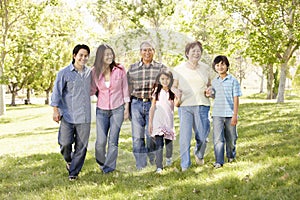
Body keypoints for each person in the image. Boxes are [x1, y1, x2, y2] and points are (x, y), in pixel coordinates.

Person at [172, 41, 217, 172]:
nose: (196, 53)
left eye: (198, 51)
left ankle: (199, 153)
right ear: (187, 53)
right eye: (193, 51)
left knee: (203, 136)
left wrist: (210, 90)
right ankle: (185, 165)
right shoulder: (179, 69)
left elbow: (209, 85)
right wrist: (176, 91)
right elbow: (173, 86)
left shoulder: (205, 68)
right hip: (185, 105)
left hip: (202, 104)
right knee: (185, 136)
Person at [51, 44, 91, 181]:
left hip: (84, 117)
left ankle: (73, 172)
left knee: (81, 146)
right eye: (81, 55)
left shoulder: (90, 73)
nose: (83, 58)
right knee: (65, 143)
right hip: (68, 116)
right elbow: (56, 92)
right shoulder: (63, 73)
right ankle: (69, 161)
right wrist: (55, 110)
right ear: (74, 56)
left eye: (86, 56)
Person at [127, 41, 167, 170]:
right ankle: (141, 165)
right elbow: (127, 89)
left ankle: (152, 159)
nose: (147, 53)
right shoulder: (132, 68)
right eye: (144, 50)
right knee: (137, 137)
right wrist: (126, 108)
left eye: (150, 50)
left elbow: (167, 85)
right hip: (136, 103)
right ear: (140, 52)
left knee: (152, 135)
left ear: (153, 51)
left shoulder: (161, 68)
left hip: (153, 104)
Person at [91, 44, 130, 173]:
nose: (109, 57)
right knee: (100, 142)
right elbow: (91, 90)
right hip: (101, 110)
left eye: (111, 54)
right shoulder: (94, 71)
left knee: (113, 141)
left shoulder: (120, 69)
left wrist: (126, 108)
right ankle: (101, 163)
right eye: (106, 54)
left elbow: (125, 89)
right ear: (100, 56)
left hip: (117, 108)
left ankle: (109, 168)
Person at [207, 55, 242, 169]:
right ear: (215, 67)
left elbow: (236, 99)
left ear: (227, 66)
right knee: (218, 139)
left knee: (231, 138)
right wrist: (208, 94)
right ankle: (219, 161)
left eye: (222, 64)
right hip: (217, 113)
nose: (220, 67)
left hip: (230, 113)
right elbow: (214, 96)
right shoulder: (214, 82)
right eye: (217, 65)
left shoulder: (233, 81)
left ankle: (231, 155)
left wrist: (235, 115)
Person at [148, 69, 180, 173]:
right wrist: (150, 122)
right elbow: (152, 107)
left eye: (167, 79)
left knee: (169, 144)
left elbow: (176, 104)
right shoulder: (156, 91)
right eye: (162, 79)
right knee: (159, 144)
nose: (165, 81)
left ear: (170, 80)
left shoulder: (172, 91)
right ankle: (159, 166)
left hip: (168, 121)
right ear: (159, 80)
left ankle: (169, 159)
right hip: (158, 120)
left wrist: (178, 96)